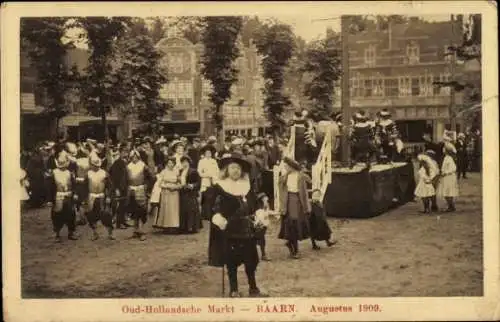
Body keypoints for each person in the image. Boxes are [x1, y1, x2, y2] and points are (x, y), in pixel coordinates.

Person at [209, 152, 268, 297]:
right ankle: (234, 290)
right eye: (233, 168)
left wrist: (259, 213)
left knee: (251, 260)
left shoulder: (246, 186)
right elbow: (210, 206)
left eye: (238, 168)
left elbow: (255, 204)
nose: (236, 171)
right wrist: (218, 217)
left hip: (247, 229)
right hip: (230, 230)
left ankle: (253, 288)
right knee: (231, 261)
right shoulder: (220, 187)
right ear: (227, 170)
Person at [278, 157, 311, 259]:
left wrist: (301, 172)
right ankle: (293, 248)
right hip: (288, 200)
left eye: (287, 166)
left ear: (292, 167)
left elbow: (309, 180)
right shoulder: (285, 176)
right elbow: (280, 183)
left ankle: (293, 247)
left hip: (297, 200)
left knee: (295, 224)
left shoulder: (300, 176)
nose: (285, 168)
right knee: (290, 224)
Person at [48, 151, 78, 242]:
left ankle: (71, 232)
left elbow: (74, 184)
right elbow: (50, 187)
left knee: (71, 214)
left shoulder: (69, 173)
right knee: (57, 215)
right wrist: (49, 199)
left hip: (68, 196)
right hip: (58, 196)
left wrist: (75, 193)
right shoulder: (54, 173)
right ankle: (57, 233)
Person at [85, 152, 115, 240]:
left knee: (106, 215)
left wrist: (109, 196)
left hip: (102, 197)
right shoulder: (88, 174)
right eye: (94, 165)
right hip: (91, 197)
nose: (95, 167)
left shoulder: (104, 173)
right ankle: (95, 233)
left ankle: (110, 233)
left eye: (97, 165)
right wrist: (84, 198)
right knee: (91, 216)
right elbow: (84, 186)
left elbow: (110, 186)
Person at [127, 149, 154, 240]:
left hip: (141, 189)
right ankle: (135, 230)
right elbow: (125, 179)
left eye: (136, 157)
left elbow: (151, 177)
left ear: (138, 157)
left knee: (142, 211)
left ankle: (142, 231)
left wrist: (147, 186)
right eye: (132, 157)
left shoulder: (143, 165)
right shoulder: (128, 166)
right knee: (134, 211)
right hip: (131, 190)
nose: (134, 158)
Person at [153, 155, 182, 232]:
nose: (171, 165)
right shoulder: (163, 172)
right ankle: (166, 226)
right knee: (166, 209)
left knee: (174, 209)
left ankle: (174, 225)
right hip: (166, 192)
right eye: (169, 163)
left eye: (172, 163)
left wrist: (176, 187)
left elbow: (180, 183)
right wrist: (166, 186)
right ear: (166, 164)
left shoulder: (177, 172)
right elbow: (159, 183)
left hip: (174, 192)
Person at [179, 156, 202, 233]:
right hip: (182, 192)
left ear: (189, 163)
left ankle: (192, 227)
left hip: (191, 193)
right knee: (183, 210)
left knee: (192, 210)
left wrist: (192, 186)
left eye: (186, 162)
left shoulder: (193, 171)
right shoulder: (180, 171)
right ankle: (184, 227)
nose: (184, 164)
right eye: (183, 162)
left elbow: (198, 182)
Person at [109, 144, 130, 230]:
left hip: (125, 186)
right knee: (120, 205)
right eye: (124, 152)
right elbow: (113, 176)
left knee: (124, 204)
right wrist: (116, 188)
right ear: (120, 152)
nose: (126, 153)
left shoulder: (126, 162)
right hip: (119, 187)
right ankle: (118, 223)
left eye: (127, 152)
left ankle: (123, 221)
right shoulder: (117, 162)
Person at [198, 144, 220, 221]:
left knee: (212, 198)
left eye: (210, 153)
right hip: (205, 181)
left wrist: (214, 176)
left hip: (213, 181)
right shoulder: (201, 161)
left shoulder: (214, 161)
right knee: (205, 198)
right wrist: (207, 175)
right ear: (204, 154)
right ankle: (205, 215)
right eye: (207, 153)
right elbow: (199, 172)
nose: (208, 154)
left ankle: (211, 214)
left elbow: (217, 171)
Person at [437, 143, 459, 212]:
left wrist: (445, 172)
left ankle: (451, 206)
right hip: (446, 177)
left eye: (444, 148)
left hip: (449, 177)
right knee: (446, 192)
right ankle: (451, 206)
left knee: (448, 192)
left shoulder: (449, 158)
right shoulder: (446, 157)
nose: (443, 150)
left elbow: (453, 168)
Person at [254, 193, 276, 261]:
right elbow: (261, 219)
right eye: (265, 197)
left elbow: (268, 212)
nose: (267, 198)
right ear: (262, 199)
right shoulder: (260, 209)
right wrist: (269, 227)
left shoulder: (265, 206)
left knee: (261, 241)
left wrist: (277, 213)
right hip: (259, 227)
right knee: (260, 241)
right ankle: (263, 255)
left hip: (262, 227)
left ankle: (263, 255)